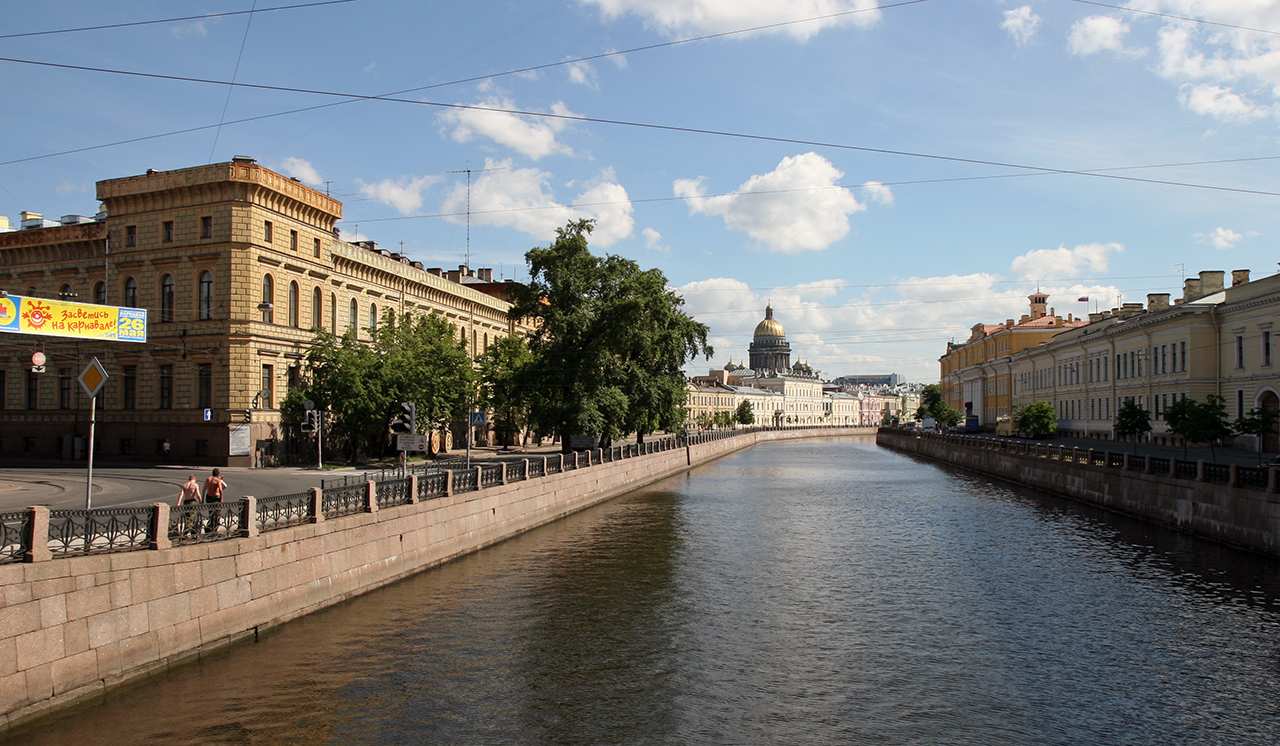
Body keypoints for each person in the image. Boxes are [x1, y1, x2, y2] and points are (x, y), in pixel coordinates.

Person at [203, 468, 229, 533]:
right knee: (217, 514)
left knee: (211, 512)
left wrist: (202, 499)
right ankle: (214, 528)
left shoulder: (208, 479)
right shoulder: (218, 480)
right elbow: (220, 489)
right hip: (216, 498)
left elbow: (204, 490)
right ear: (218, 474)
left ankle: (209, 527)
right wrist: (221, 498)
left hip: (208, 497)